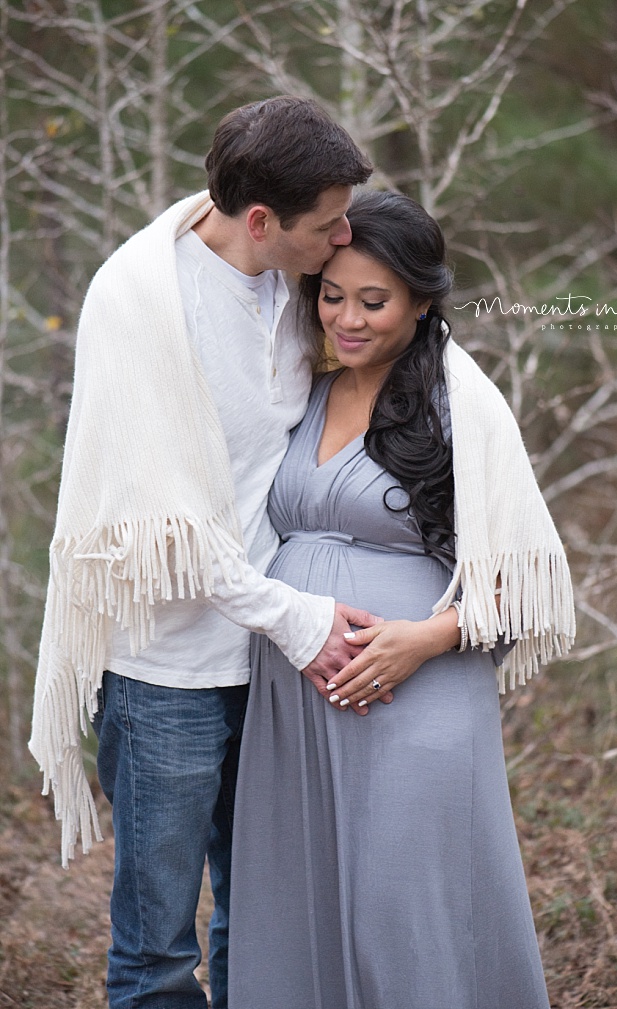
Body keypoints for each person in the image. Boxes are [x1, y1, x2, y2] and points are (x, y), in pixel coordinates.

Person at [28, 96, 401, 1009]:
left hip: (269, 659)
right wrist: (304, 619)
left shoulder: (294, 282)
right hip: (168, 674)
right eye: (328, 223)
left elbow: (395, 335)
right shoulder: (140, 302)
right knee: (158, 946)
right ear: (263, 220)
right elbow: (174, 528)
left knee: (262, 918)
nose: (345, 233)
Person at [227, 190, 576, 1009]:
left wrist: (422, 639)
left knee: (404, 914)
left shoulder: (462, 407)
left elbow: (525, 580)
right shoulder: (303, 392)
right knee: (302, 909)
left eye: (374, 301)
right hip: (299, 697)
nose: (347, 318)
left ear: (422, 302)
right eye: (332, 294)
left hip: (417, 694)